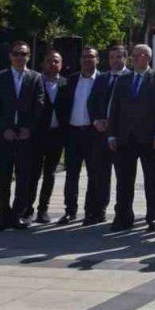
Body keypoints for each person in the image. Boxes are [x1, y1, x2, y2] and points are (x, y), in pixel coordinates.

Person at [107, 44, 155, 232]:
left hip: (149, 138)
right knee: (124, 180)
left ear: (146, 57)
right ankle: (123, 217)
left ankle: (153, 216)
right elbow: (114, 108)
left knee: (152, 181)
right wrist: (111, 135)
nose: (133, 59)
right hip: (125, 137)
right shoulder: (123, 80)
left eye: (136, 56)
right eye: (132, 56)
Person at [0, 41, 46, 232]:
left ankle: (17, 215)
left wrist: (28, 128)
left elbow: (39, 104)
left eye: (23, 54)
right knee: (3, 177)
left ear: (29, 56)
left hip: (25, 136)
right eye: (16, 54)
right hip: (5, 135)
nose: (19, 57)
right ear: (10, 56)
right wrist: (3, 128)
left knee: (24, 178)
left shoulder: (36, 77)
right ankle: (3, 215)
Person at [84, 45, 129, 226]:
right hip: (100, 134)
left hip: (122, 135)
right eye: (112, 57)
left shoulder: (131, 78)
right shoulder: (102, 79)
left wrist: (115, 124)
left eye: (119, 57)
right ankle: (98, 211)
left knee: (123, 177)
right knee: (99, 174)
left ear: (126, 58)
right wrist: (96, 120)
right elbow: (92, 102)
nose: (115, 60)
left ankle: (122, 213)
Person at [56, 46, 100, 225]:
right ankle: (70, 211)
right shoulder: (70, 80)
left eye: (91, 57)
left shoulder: (102, 80)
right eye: (84, 57)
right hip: (73, 133)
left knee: (94, 174)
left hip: (93, 133)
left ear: (97, 59)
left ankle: (91, 211)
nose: (87, 60)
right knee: (71, 174)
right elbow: (62, 106)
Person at [27, 49, 65, 224]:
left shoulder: (66, 83)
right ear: (43, 63)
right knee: (32, 173)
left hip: (56, 135)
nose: (53, 64)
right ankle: (27, 209)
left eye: (56, 61)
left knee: (49, 173)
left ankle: (43, 209)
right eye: (49, 61)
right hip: (36, 135)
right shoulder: (34, 81)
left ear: (61, 64)